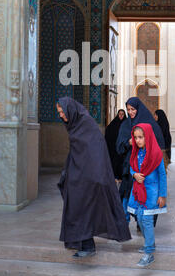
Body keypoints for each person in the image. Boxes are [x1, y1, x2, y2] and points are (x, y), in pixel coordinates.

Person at [56, 97, 131, 258]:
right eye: (59, 113)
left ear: (70, 109)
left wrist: (95, 175)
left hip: (90, 177)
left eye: (62, 112)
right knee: (75, 207)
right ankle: (79, 241)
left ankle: (87, 245)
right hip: (77, 174)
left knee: (83, 209)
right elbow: (77, 152)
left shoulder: (86, 124)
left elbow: (95, 151)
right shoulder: (75, 124)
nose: (61, 116)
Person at [116, 97, 166, 228]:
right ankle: (125, 223)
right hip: (131, 167)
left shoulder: (149, 124)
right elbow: (119, 147)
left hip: (148, 168)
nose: (131, 112)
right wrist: (129, 142)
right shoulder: (126, 125)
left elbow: (158, 144)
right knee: (127, 195)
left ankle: (144, 223)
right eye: (128, 110)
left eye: (133, 109)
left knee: (148, 195)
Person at [127, 123, 167, 267]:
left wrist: (162, 195)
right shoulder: (136, 152)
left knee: (147, 220)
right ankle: (150, 243)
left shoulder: (156, 154)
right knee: (139, 217)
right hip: (138, 191)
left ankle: (149, 253)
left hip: (151, 192)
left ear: (148, 137)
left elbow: (162, 175)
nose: (137, 141)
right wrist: (134, 174)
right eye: (136, 137)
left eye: (141, 137)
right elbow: (132, 167)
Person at [105, 109, 126, 182]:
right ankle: (114, 177)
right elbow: (108, 134)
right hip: (114, 149)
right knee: (114, 162)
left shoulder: (126, 124)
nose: (121, 115)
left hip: (123, 149)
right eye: (119, 114)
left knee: (122, 163)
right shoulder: (113, 124)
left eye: (122, 114)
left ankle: (121, 177)